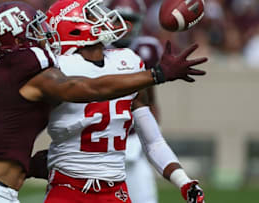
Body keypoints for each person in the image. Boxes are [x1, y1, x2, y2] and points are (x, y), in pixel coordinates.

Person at [0, 1, 206, 202]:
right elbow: (85, 88)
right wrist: (156, 74)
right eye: (35, 30)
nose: (43, 35)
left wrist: (53, 161)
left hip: (110, 189)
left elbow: (8, 135)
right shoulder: (47, 70)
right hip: (37, 189)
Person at [43, 0, 206, 202]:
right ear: (73, 27)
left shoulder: (128, 60)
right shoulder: (58, 68)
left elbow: (152, 140)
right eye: (92, 15)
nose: (105, 17)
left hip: (115, 190)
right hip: (68, 187)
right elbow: (94, 87)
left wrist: (184, 181)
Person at [107, 0, 162, 202]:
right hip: (99, 148)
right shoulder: (95, 50)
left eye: (130, 21)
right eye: (120, 21)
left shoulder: (148, 49)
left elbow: (151, 99)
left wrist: (152, 137)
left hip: (133, 140)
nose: (125, 28)